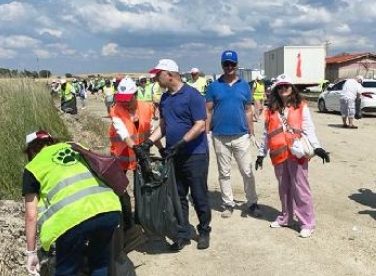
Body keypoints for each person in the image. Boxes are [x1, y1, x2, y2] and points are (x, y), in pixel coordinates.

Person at [22, 130, 121, 276]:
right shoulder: (74, 146)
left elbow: (31, 215)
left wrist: (30, 252)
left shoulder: (32, 168)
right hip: (108, 208)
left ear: (30, 151)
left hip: (73, 219)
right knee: (99, 260)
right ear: (51, 141)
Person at [135, 58, 212, 251]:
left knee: (199, 195)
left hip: (195, 154)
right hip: (174, 156)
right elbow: (163, 125)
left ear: (169, 75)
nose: (155, 78)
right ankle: (183, 232)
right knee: (178, 196)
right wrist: (149, 142)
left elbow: (200, 125)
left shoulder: (192, 95)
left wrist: (182, 142)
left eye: (158, 74)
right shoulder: (166, 99)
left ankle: (204, 230)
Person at [255, 74, 330, 238]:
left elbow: (309, 129)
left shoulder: (301, 106)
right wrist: (261, 153)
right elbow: (266, 134)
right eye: (280, 87)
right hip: (278, 155)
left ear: (292, 88)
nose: (283, 89)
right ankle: (286, 218)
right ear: (276, 89)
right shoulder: (270, 109)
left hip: (297, 154)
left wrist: (317, 148)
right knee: (284, 189)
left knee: (301, 189)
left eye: (286, 86)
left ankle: (307, 223)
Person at [206, 50, 262, 218]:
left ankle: (252, 202)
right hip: (219, 136)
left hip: (241, 136)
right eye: (226, 64)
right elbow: (208, 110)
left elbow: (248, 110)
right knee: (224, 173)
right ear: (222, 65)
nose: (229, 67)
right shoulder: (214, 86)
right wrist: (207, 132)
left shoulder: (244, 86)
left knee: (247, 171)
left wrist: (252, 132)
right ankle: (228, 203)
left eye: (232, 64)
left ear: (237, 65)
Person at [108, 77, 153, 232]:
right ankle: (125, 220)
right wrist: (136, 148)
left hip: (140, 154)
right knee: (119, 187)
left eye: (128, 99)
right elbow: (122, 132)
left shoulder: (147, 107)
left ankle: (140, 218)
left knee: (141, 186)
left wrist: (159, 148)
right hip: (121, 154)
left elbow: (150, 131)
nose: (125, 103)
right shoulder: (116, 109)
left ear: (135, 95)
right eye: (122, 100)